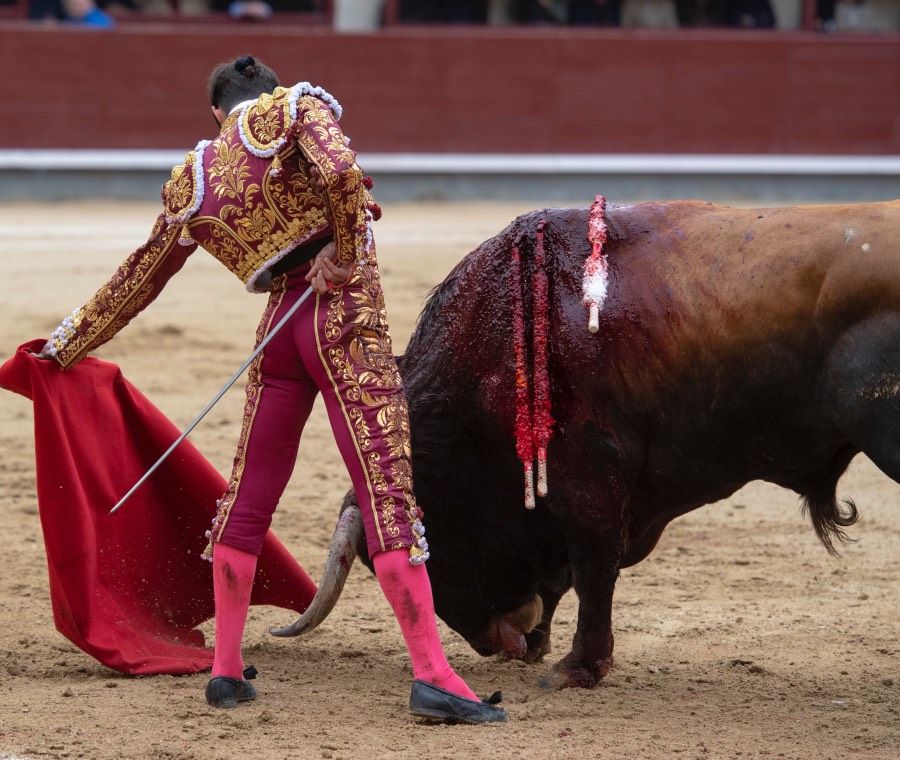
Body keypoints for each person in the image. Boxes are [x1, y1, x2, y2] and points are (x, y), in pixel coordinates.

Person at [35, 55, 508, 725]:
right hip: (341, 319)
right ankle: (433, 675)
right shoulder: (294, 108)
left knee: (248, 494)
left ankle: (226, 670)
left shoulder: (192, 180)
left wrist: (63, 345)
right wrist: (343, 253)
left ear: (215, 114)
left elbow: (137, 280)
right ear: (267, 90)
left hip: (279, 332)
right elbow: (343, 173)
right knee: (384, 490)